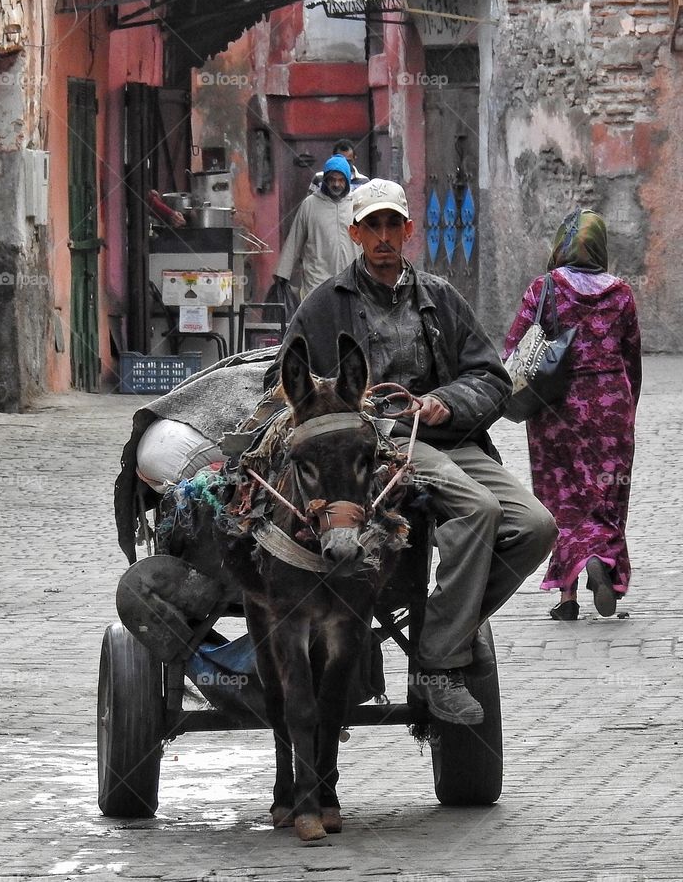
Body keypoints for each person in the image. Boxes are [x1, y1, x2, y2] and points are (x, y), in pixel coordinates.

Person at [266, 178, 557, 725]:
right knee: (479, 510)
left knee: (536, 526)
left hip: (449, 437)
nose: (382, 237)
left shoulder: (440, 297)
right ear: (354, 233)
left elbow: (490, 377)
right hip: (374, 445)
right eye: (370, 226)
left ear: (408, 231)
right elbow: (285, 383)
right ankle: (442, 664)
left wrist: (445, 403)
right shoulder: (325, 304)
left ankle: (440, 631)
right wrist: (348, 407)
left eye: (391, 225)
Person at [504, 208, 642, 621]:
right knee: (606, 495)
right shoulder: (621, 294)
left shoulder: (544, 288)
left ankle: (566, 598)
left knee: (562, 499)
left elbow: (514, 348)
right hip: (611, 409)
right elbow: (631, 357)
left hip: (556, 412)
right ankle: (603, 562)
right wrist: (627, 406)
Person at [272, 155, 359, 302]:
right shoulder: (310, 205)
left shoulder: (357, 204)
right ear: (325, 181)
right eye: (332, 180)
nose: (336, 184)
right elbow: (295, 240)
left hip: (351, 282)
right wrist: (282, 275)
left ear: (347, 181)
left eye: (341, 180)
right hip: (317, 283)